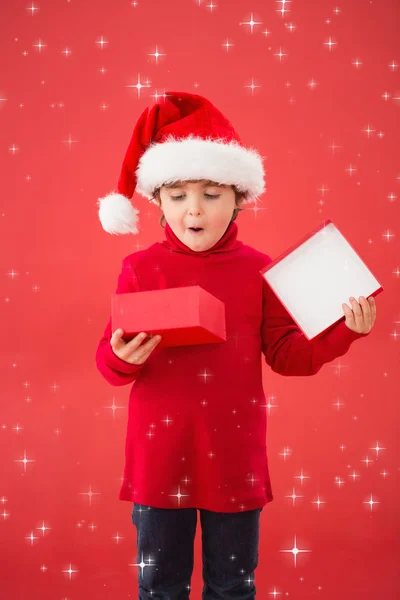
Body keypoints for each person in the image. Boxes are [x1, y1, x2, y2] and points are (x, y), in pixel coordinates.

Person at [95, 91, 376, 599]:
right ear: (158, 202)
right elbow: (109, 360)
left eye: (212, 194)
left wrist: (343, 331)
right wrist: (119, 356)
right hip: (159, 460)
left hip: (233, 459)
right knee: (160, 587)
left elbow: (289, 356)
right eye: (178, 196)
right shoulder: (139, 270)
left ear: (239, 198)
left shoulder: (259, 270)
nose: (194, 209)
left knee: (232, 587)